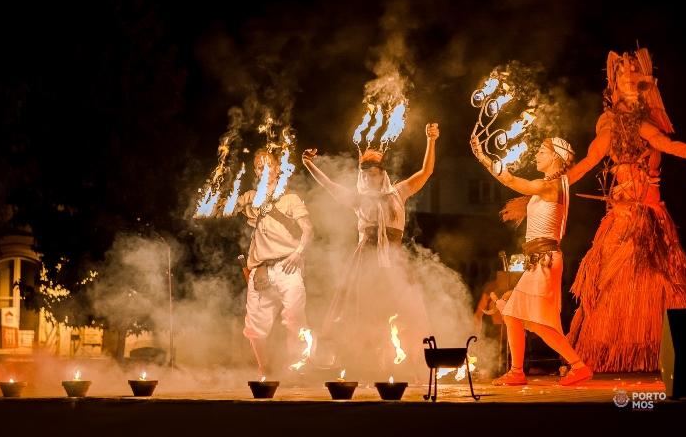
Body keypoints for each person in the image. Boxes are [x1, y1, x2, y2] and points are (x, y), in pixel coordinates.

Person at [565, 48, 686, 372]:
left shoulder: (645, 123)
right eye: (623, 77)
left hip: (653, 212)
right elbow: (590, 160)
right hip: (626, 215)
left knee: (666, 281)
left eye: (635, 78)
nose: (629, 81)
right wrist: (558, 184)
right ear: (614, 87)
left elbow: (663, 143)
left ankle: (667, 353)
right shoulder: (610, 124)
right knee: (618, 282)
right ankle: (612, 355)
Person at [301, 123, 439, 381]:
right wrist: (309, 164)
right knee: (364, 313)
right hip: (365, 260)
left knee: (404, 311)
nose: (368, 179)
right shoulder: (358, 198)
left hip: (394, 260)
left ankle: (410, 365)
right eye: (364, 176)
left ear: (382, 175)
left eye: (373, 175)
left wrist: (431, 139)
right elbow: (329, 184)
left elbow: (427, 171)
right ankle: (367, 364)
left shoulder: (398, 192)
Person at [471, 135, 593, 385]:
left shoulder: (551, 186)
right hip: (539, 260)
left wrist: (484, 158)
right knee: (514, 315)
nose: (536, 155)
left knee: (539, 323)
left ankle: (578, 366)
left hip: (545, 261)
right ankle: (517, 371)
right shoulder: (551, 186)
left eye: (541, 151)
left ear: (555, 159)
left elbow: (511, 180)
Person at [233, 149, 314, 377]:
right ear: (255, 172)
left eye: (269, 165)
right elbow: (228, 207)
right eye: (259, 167)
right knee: (255, 327)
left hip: (289, 267)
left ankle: (295, 370)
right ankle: (265, 371)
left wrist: (298, 253)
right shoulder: (251, 198)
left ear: (278, 169)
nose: (264, 170)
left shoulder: (291, 199)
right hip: (261, 270)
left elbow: (308, 230)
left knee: (295, 318)